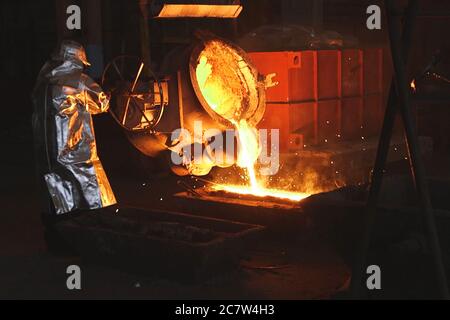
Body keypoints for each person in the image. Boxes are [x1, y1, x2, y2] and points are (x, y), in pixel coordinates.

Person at [32, 40, 116, 250]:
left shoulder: (42, 83)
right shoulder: (79, 81)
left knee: (56, 199)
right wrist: (112, 93)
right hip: (76, 155)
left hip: (47, 155)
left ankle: (57, 244)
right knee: (87, 199)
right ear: (78, 60)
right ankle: (85, 242)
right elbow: (102, 103)